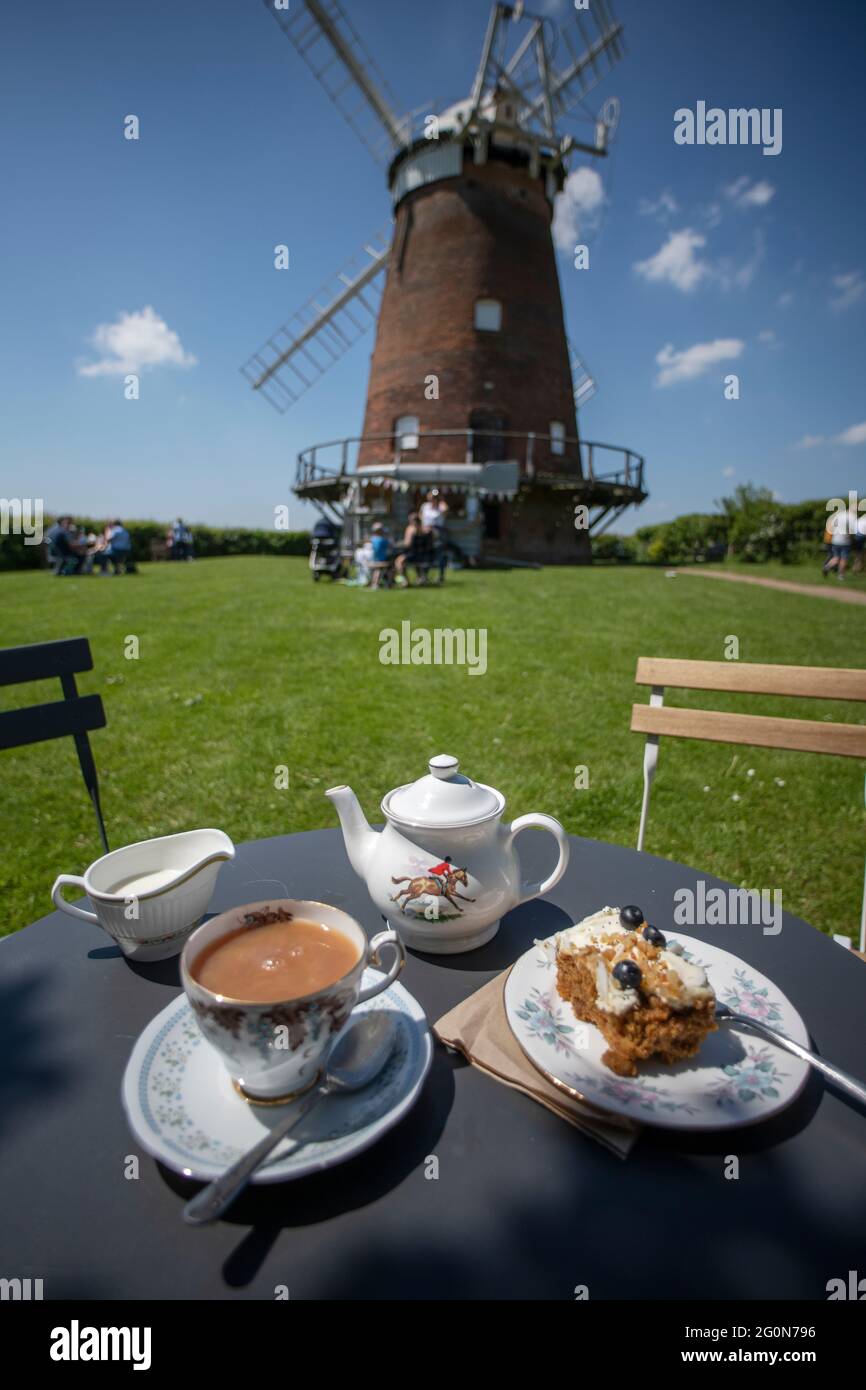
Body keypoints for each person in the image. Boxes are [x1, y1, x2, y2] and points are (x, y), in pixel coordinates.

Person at [823, 506, 853, 581]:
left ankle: (827, 567)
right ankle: (841, 576)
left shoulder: (834, 519)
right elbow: (849, 532)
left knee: (836, 557)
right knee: (843, 559)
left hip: (835, 541)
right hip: (844, 542)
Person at [368, 522, 392, 589]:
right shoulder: (382, 540)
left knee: (378, 568)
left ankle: (374, 583)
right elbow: (391, 546)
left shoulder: (372, 539)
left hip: (372, 560)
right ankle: (388, 583)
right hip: (380, 560)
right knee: (389, 566)